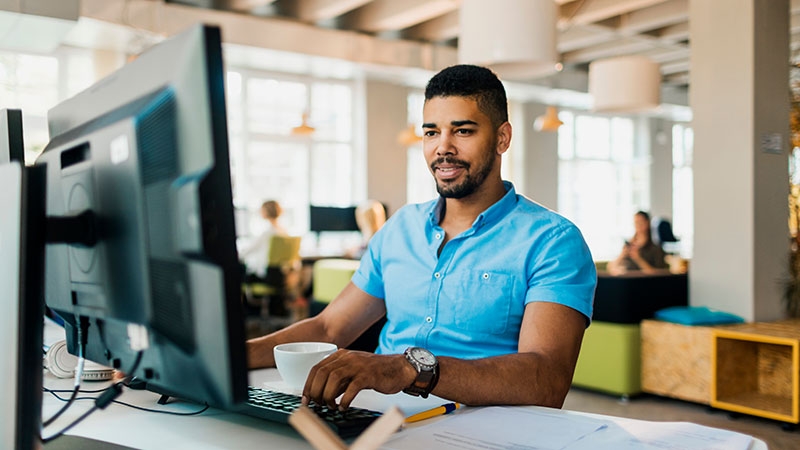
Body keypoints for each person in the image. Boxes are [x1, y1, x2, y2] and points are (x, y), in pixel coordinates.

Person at [247, 64, 596, 411]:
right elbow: (327, 328)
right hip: (378, 415)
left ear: (502, 138)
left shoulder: (552, 241)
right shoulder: (401, 228)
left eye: (462, 131)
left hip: (484, 427)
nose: (443, 148)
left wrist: (409, 369)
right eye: (431, 133)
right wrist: (233, 355)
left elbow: (547, 380)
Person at [607, 211, 668, 275]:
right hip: (627, 281)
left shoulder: (656, 249)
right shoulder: (628, 246)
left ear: (647, 223)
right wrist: (622, 255)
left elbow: (657, 274)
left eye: (640, 222)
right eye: (636, 223)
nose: (638, 226)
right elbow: (610, 267)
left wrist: (638, 258)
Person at [238, 200, 288, 278]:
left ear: (267, 211)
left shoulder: (268, 233)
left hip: (266, 276)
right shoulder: (284, 232)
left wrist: (237, 255)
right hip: (280, 274)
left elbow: (250, 250)